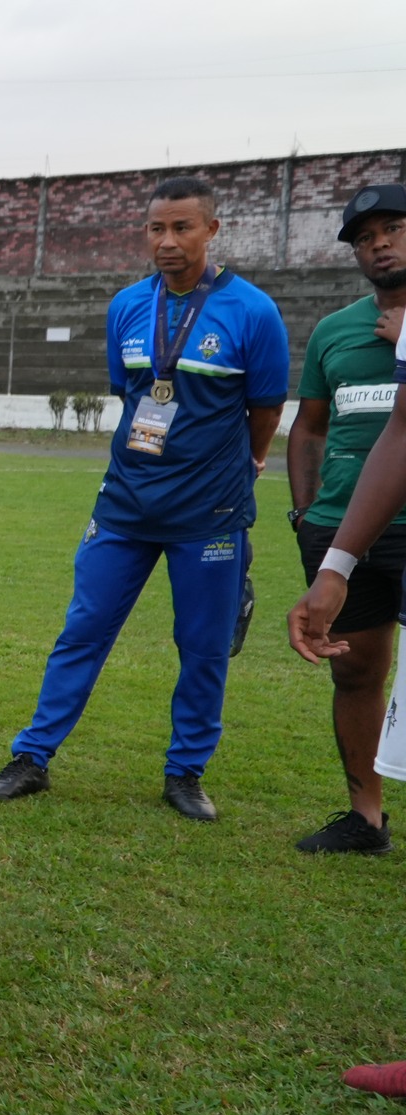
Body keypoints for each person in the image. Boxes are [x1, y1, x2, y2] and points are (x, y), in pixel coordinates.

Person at [0, 178, 289, 821]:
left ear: (212, 230)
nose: (168, 241)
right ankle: (33, 757)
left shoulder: (252, 311)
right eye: (157, 229)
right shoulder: (128, 305)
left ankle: (185, 773)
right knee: (82, 630)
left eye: (182, 228)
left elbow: (265, 409)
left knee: (203, 645)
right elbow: (134, 397)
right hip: (124, 504)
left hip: (207, 512)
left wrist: (246, 464)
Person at [280, 185, 406, 854]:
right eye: (364, 236)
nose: (379, 242)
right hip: (341, 530)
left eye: (392, 227)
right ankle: (367, 816)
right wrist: (305, 513)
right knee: (355, 670)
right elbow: (309, 427)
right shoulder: (336, 330)